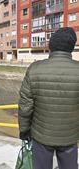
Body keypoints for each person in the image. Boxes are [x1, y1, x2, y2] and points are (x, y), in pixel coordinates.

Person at [18, 27, 79, 169]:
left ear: (50, 46)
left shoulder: (35, 69)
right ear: (72, 47)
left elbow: (25, 106)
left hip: (41, 136)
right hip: (69, 136)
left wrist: (24, 130)